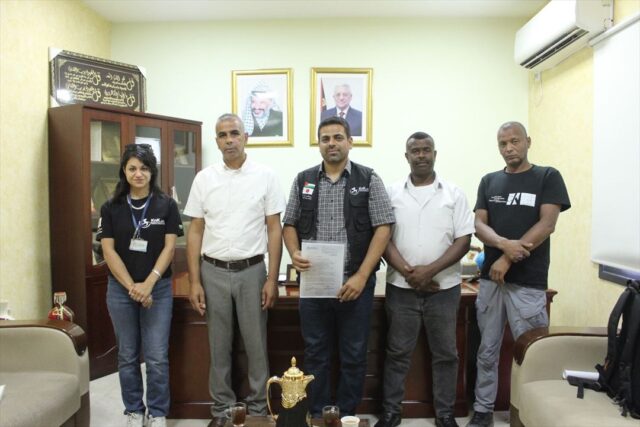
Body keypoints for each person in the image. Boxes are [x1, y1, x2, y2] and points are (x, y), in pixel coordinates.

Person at [282, 116, 395, 417]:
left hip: (354, 283)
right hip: (314, 283)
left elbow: (384, 227)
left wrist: (362, 275)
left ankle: (345, 416)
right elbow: (289, 223)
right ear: (319, 144)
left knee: (354, 354)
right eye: (325, 139)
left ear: (350, 142)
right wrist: (294, 252)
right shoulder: (303, 180)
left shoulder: (368, 179)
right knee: (315, 353)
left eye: (337, 137)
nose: (331, 143)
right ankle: (319, 415)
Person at [467, 122, 571, 427]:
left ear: (528, 141)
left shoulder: (547, 176)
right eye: (503, 143)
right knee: (487, 350)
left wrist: (507, 260)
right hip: (491, 282)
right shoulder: (489, 181)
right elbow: (479, 224)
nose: (509, 148)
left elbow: (547, 224)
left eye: (515, 141)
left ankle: (527, 414)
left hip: (527, 283)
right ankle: (483, 411)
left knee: (531, 352)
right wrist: (503, 246)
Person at [184, 113, 285, 427]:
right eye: (222, 135)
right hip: (212, 271)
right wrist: (194, 281)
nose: (229, 140)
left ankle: (257, 409)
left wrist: (271, 279)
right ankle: (222, 410)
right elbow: (195, 230)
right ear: (216, 141)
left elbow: (274, 229)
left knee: (256, 346)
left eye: (234, 133)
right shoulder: (204, 179)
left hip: (252, 271)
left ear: (245, 137)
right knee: (219, 346)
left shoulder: (266, 176)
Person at [377, 132, 475, 427]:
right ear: (406, 156)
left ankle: (444, 414)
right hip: (401, 288)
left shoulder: (454, 193)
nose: (421, 155)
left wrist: (428, 271)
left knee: (446, 354)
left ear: (435, 154)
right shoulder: (391, 193)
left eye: (426, 150)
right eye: (415, 151)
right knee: (397, 353)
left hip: (443, 289)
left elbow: (464, 240)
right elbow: (383, 238)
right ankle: (391, 413)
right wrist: (411, 274)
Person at [97, 143, 183, 427]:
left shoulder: (166, 205)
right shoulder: (111, 207)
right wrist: (133, 287)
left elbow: (169, 248)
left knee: (156, 356)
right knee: (127, 355)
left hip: (157, 288)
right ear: (124, 171)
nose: (138, 174)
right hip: (120, 291)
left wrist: (148, 283)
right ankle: (134, 410)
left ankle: (157, 413)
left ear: (152, 172)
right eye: (132, 168)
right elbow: (108, 251)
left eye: (144, 168)